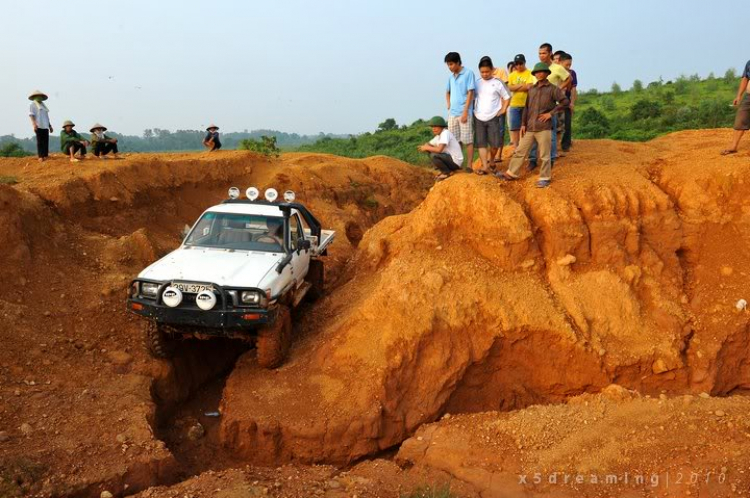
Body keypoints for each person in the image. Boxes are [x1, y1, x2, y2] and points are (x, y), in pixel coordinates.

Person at [498, 63, 569, 188]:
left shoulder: (553, 89)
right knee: (520, 151)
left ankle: (545, 177)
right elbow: (526, 108)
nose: (539, 74)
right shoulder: (532, 89)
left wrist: (550, 114)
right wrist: (523, 124)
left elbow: (565, 102)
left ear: (547, 73)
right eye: (537, 72)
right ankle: (511, 173)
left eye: (542, 71)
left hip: (544, 127)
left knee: (544, 154)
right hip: (530, 127)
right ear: (535, 74)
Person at [528, 43, 570, 170]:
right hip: (536, 106)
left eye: (544, 53)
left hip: (551, 106)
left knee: (551, 134)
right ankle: (532, 160)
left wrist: (559, 89)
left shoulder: (557, 68)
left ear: (550, 53)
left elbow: (569, 78)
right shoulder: (537, 68)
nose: (541, 56)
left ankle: (551, 159)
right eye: (540, 53)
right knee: (533, 133)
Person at [474, 56, 511, 174]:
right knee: (481, 143)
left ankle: (492, 160)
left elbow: (507, 96)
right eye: (482, 72)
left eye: (487, 71)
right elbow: (471, 97)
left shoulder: (497, 82)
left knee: (495, 144)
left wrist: (503, 109)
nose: (484, 74)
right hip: (478, 117)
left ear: (492, 70)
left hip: (494, 117)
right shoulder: (477, 83)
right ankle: (485, 166)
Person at [444, 52, 475, 171]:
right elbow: (447, 91)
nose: (450, 67)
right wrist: (448, 104)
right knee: (454, 141)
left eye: (451, 64)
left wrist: (466, 111)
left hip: (464, 112)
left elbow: (470, 92)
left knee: (467, 140)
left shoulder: (468, 73)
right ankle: (458, 164)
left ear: (458, 62)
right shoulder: (451, 77)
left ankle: (469, 165)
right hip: (453, 113)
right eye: (448, 65)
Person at [418, 116, 464, 181]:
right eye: (432, 127)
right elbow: (429, 144)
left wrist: (426, 147)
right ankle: (444, 170)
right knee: (430, 151)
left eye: (436, 126)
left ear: (442, 127)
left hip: (455, 162)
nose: (433, 129)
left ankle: (447, 172)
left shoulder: (445, 133)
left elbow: (439, 150)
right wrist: (425, 146)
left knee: (434, 155)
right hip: (450, 160)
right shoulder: (438, 136)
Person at [507, 54, 536, 148]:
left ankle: (526, 147)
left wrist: (516, 87)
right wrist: (522, 85)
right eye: (517, 64)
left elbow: (530, 86)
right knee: (515, 128)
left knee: (527, 127)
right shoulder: (511, 75)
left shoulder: (530, 73)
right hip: (514, 104)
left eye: (521, 64)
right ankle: (516, 147)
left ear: (524, 62)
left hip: (527, 104)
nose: (518, 66)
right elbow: (509, 87)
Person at [722, 60, 750, 155]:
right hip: (749, 96)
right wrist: (739, 96)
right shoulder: (749, 63)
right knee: (741, 118)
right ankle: (733, 146)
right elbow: (745, 79)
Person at [559, 53, 578, 152]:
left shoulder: (572, 73)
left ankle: (566, 145)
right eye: (567, 64)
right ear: (560, 62)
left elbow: (573, 89)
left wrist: (572, 103)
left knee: (567, 123)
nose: (568, 67)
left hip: (566, 100)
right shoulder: (555, 72)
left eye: (570, 64)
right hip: (556, 101)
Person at [28, 90, 52, 163]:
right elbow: (32, 115)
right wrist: (34, 124)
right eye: (38, 96)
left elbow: (46, 116)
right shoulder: (32, 105)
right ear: (34, 97)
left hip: (45, 125)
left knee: (45, 141)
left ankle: (45, 155)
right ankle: (40, 156)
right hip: (38, 125)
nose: (39, 97)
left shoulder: (43, 105)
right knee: (40, 141)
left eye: (40, 96)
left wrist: (50, 126)